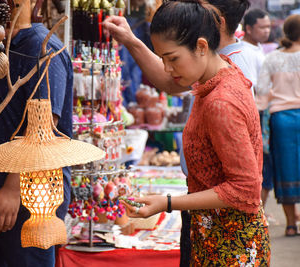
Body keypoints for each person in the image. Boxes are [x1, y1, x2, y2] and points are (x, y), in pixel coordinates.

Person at [109, 1, 271, 265]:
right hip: (215, 233)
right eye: (163, 59)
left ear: (202, 47)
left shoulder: (221, 102)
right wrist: (131, 40)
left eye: (172, 59)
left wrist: (168, 202)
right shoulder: (217, 71)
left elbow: (245, 190)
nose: (169, 69)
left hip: (230, 244)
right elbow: (168, 81)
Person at [0, 0, 73, 266]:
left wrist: (13, 188)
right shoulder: (3, 46)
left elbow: (43, 126)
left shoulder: (43, 47)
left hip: (30, 195)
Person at [257, 14, 300, 237]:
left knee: (286, 170)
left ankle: (291, 224)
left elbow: (262, 93)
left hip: (281, 120)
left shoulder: (272, 58)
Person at [243, 8, 275, 216]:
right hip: (256, 114)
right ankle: (256, 211)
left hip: (264, 112)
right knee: (259, 166)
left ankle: (259, 210)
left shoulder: (258, 48)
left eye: (268, 27)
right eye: (262, 27)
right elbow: (252, 87)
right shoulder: (246, 51)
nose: (266, 31)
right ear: (248, 28)